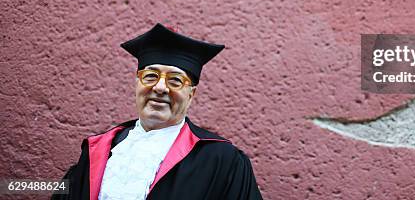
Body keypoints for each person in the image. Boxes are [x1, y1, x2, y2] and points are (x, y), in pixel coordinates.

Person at [51, 23, 263, 200]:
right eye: (150, 76)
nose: (160, 88)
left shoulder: (223, 161)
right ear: (137, 84)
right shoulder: (98, 150)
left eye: (175, 80)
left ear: (191, 94)